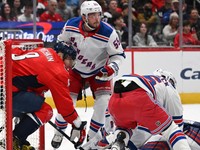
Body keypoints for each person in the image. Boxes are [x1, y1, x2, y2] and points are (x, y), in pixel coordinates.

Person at [51, 0, 125, 149]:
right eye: (92, 16)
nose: (97, 18)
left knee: (103, 103)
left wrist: (111, 68)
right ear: (84, 17)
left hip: (99, 72)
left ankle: (91, 137)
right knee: (67, 102)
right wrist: (64, 52)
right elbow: (60, 43)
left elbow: (118, 55)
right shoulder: (71, 25)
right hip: (75, 70)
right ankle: (59, 131)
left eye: (98, 15)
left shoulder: (109, 33)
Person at [8, 41, 87, 150]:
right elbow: (64, 106)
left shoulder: (45, 51)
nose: (70, 65)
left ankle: (19, 139)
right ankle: (14, 139)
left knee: (33, 106)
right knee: (45, 110)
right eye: (71, 60)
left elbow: (28, 77)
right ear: (62, 55)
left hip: (6, 83)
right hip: (7, 91)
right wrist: (77, 124)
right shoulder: (58, 70)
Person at [97, 72, 191, 150]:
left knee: (124, 130)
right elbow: (178, 126)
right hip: (138, 100)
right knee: (171, 130)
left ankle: (117, 144)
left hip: (114, 100)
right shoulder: (169, 88)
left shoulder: (149, 78)